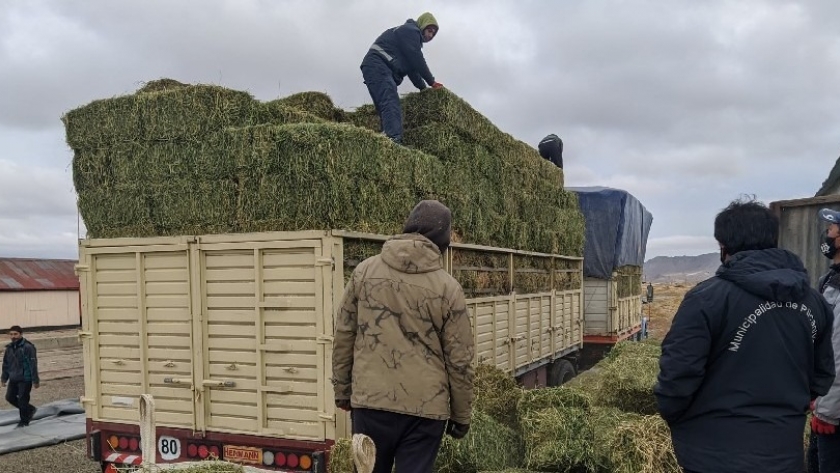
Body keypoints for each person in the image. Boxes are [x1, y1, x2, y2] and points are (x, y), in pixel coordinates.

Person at [654, 197, 836, 473]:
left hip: (712, 457)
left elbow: (676, 378)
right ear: (773, 240)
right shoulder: (814, 302)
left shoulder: (705, 299)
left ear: (723, 246)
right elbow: (821, 377)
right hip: (783, 455)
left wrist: (679, 418)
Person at [332, 200, 475, 473]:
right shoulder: (448, 289)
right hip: (425, 412)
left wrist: (342, 390)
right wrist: (461, 416)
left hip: (370, 405)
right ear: (442, 242)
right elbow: (460, 360)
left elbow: (344, 335)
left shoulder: (364, 273)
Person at [361, 13, 443, 144]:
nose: (430, 36)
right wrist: (431, 82)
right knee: (390, 102)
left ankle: (385, 141)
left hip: (376, 68)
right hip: (378, 65)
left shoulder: (410, 41)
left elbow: (413, 71)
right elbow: (417, 59)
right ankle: (393, 141)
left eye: (433, 34)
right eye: (429, 31)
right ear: (422, 26)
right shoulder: (410, 31)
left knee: (385, 108)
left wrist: (423, 89)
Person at [807, 208, 840, 473]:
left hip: (834, 415)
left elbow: (837, 349)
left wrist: (827, 411)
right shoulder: (829, 279)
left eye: (830, 230)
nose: (825, 236)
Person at [1, 325, 40, 427]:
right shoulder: (9, 348)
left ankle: (24, 422)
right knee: (9, 397)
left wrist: (35, 380)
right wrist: (4, 378)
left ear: (21, 334)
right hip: (13, 378)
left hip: (25, 378)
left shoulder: (28, 347)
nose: (13, 336)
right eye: (11, 334)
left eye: (16, 334)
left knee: (23, 400)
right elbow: (5, 364)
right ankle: (30, 409)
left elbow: (33, 364)